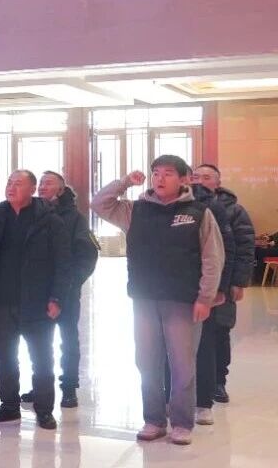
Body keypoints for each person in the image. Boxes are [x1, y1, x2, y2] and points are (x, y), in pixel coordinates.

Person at [92, 155, 224, 445]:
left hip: (183, 301)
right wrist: (125, 182)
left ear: (183, 179)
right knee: (147, 361)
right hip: (144, 298)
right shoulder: (135, 210)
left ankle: (182, 423)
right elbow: (99, 204)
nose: (160, 179)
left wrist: (205, 297)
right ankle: (153, 419)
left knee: (182, 366)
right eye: (156, 173)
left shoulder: (198, 213)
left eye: (167, 173)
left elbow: (213, 257)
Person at [0, 170, 70, 430]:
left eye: (18, 183)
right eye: (9, 182)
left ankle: (44, 410)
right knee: (5, 356)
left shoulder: (50, 221)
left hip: (38, 302)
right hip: (2, 301)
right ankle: (9, 405)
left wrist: (57, 297)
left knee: (42, 357)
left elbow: (63, 263)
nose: (11, 187)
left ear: (32, 189)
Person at [17, 171, 98, 409]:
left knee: (68, 339)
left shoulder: (75, 218)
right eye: (41, 183)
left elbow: (87, 255)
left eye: (48, 183)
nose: (43, 187)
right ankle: (42, 386)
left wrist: (71, 283)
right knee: (39, 341)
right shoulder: (31, 214)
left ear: (61, 190)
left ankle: (69, 388)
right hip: (36, 291)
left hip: (66, 290)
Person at [191, 164, 254, 412]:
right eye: (196, 176)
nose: (200, 181)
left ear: (218, 183)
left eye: (206, 177)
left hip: (223, 283)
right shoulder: (185, 206)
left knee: (219, 331)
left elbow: (245, 248)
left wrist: (238, 282)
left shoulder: (234, 210)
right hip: (193, 283)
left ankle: (218, 381)